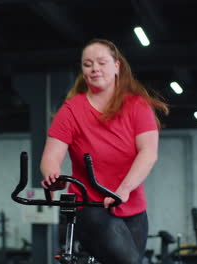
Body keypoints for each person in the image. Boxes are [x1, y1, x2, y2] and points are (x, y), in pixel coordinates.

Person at [40, 38, 169, 264]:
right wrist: (53, 175)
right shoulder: (71, 110)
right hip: (90, 205)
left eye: (101, 62)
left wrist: (124, 190)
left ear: (116, 66)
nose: (94, 69)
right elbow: (51, 156)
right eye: (87, 64)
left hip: (132, 204)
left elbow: (148, 153)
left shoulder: (137, 106)